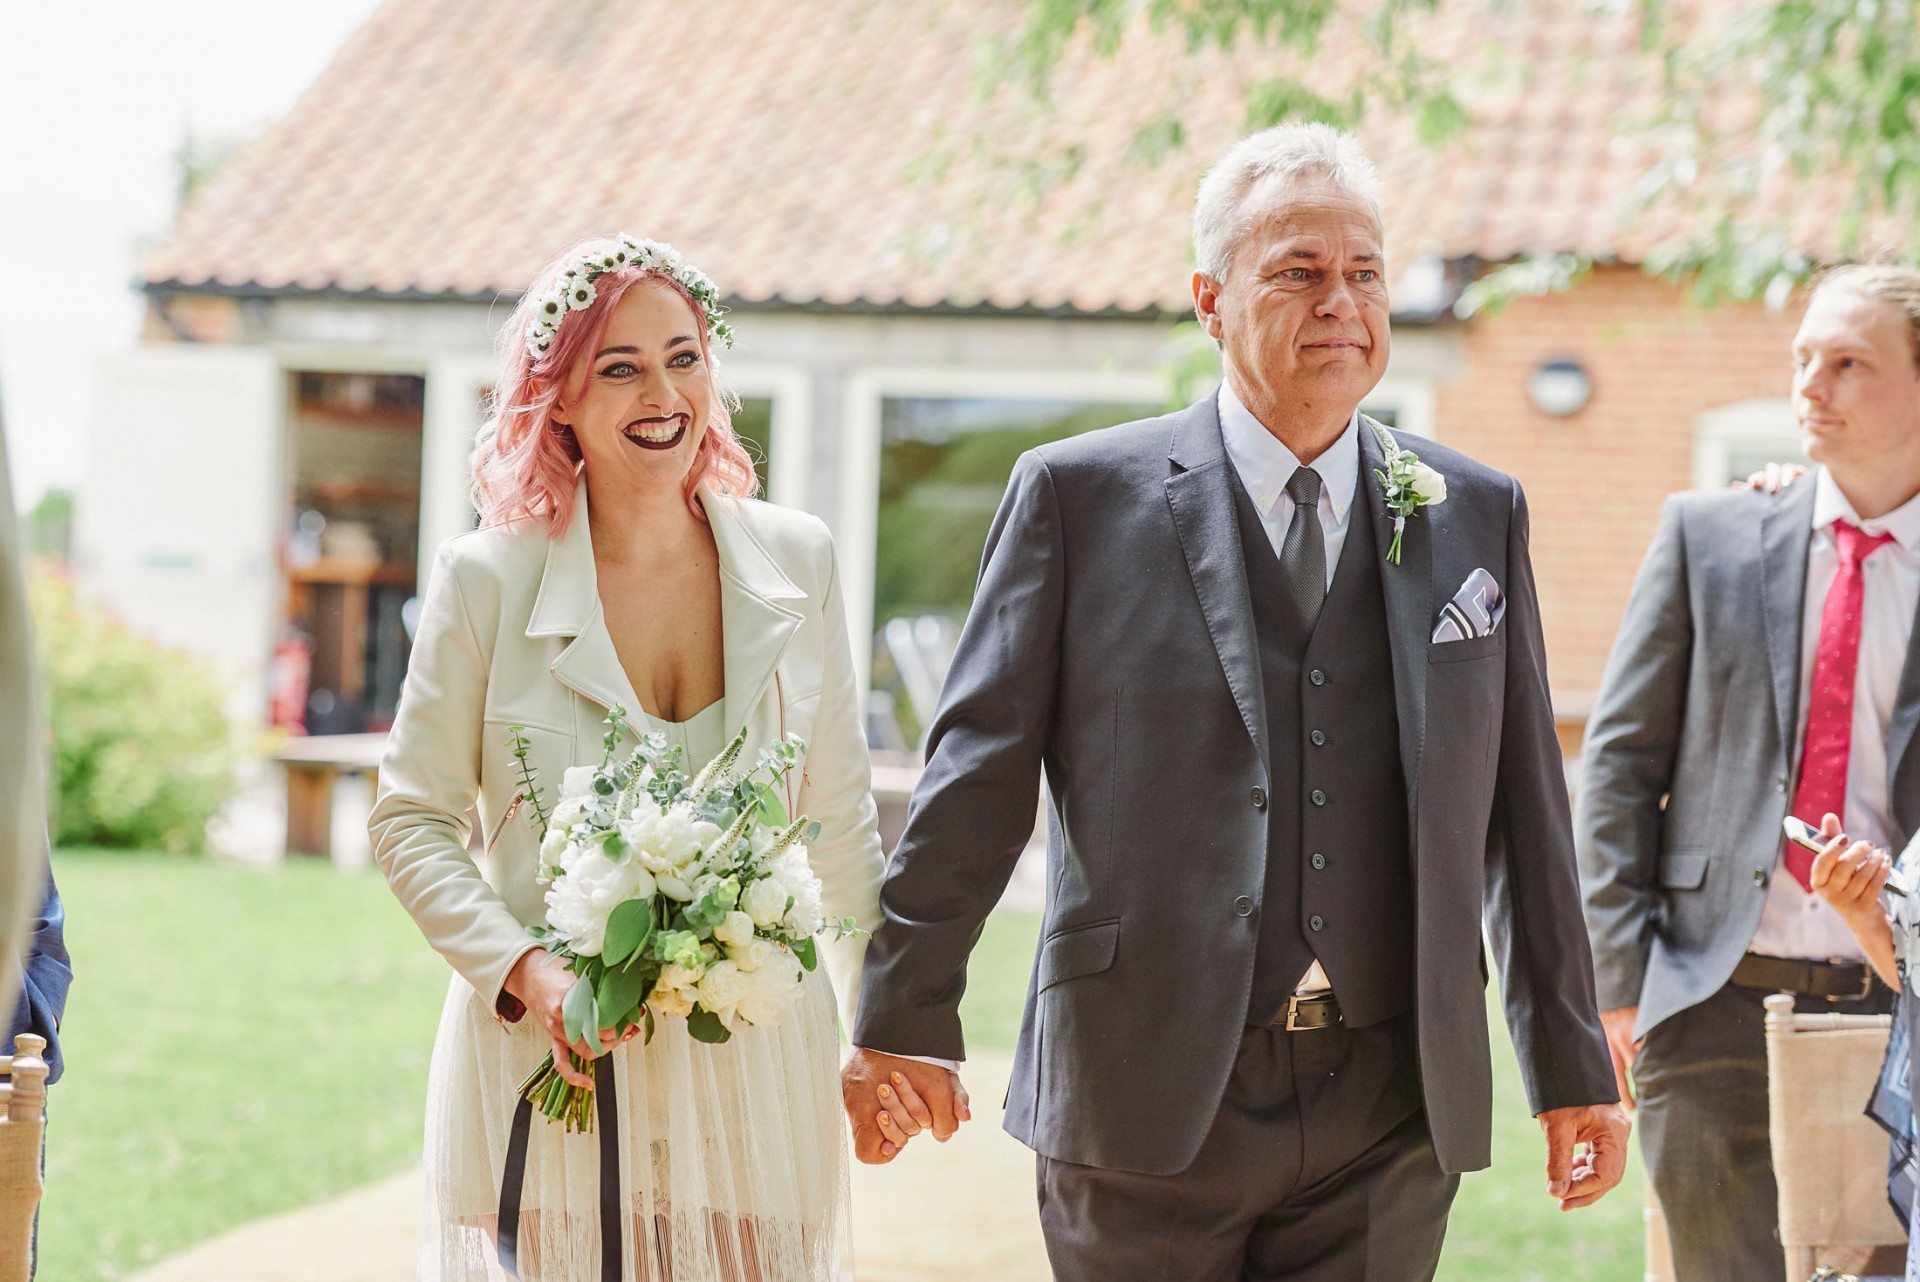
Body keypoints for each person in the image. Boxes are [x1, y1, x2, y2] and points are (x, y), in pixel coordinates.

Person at [844, 122, 1627, 1281]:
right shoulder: (1075, 498)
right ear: (1211, 302)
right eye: (1299, 273)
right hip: (1140, 1087)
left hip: (1388, 1094)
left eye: (1364, 273)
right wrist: (904, 1012)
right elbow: (978, 776)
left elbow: (1523, 807)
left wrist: (1572, 1069)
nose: (1342, 304)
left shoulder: (1473, 509)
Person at [369, 236, 884, 1281]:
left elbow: (836, 821)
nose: (663, 393)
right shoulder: (484, 582)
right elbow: (410, 822)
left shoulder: (803, 558)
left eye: (684, 358)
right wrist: (529, 972)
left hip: (756, 1059)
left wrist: (881, 1034)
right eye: (621, 366)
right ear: (557, 397)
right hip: (552, 1058)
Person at [1579, 262, 1920, 1281]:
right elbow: (1618, 767)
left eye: (1847, 363)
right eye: (1802, 359)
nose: (1808, 386)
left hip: (1898, 1008)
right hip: (1712, 999)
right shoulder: (1713, 535)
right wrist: (1622, 984)